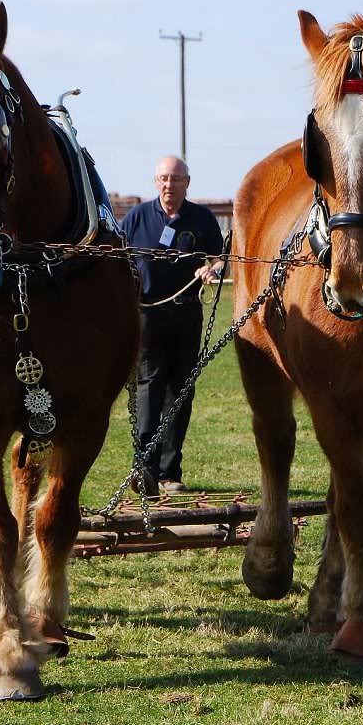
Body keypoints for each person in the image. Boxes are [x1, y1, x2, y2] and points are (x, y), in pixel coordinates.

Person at [121, 156, 225, 494]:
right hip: (147, 317)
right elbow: (118, 260)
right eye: (164, 178)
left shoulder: (202, 219)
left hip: (186, 313)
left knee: (181, 390)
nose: (170, 185)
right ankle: (144, 468)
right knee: (149, 387)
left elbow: (220, 256)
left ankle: (169, 473)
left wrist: (211, 269)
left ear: (187, 183)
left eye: (176, 179)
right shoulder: (136, 218)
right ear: (156, 182)